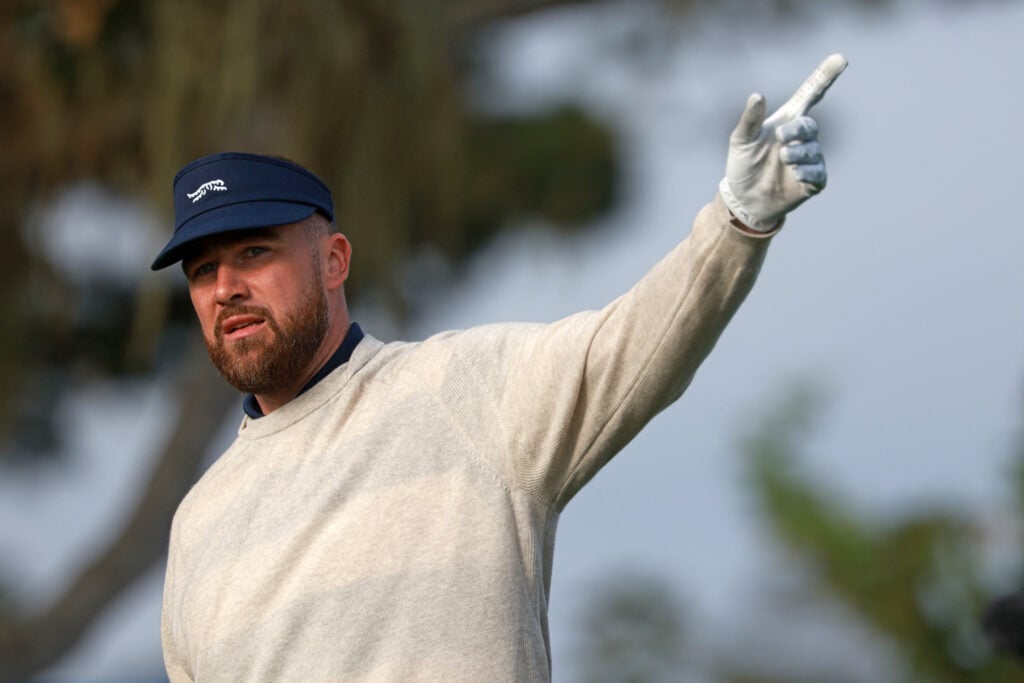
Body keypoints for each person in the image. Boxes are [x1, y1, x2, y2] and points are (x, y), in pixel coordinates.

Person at [154, 54, 847, 681]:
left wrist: (737, 224)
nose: (225, 289)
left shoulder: (463, 389)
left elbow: (633, 344)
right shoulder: (199, 522)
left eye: (253, 254)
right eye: (204, 269)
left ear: (334, 259)